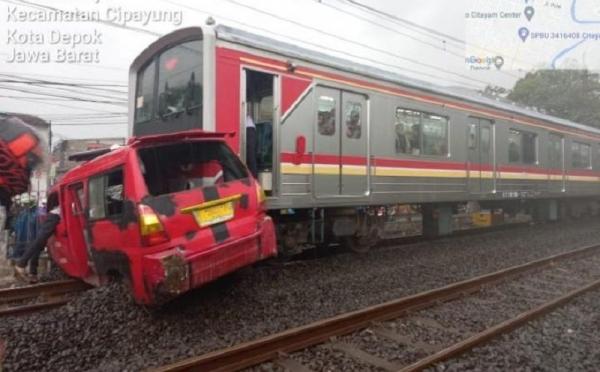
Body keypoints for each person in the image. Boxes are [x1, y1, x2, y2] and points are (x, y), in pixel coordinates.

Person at [14, 203, 60, 283]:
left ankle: (32, 272)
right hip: (55, 216)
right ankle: (21, 264)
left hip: (50, 215)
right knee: (39, 241)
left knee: (40, 242)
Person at [245, 104, 258, 178]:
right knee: (251, 158)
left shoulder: (248, 121)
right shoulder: (249, 119)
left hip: (249, 130)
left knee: (251, 158)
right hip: (250, 130)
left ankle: (254, 178)